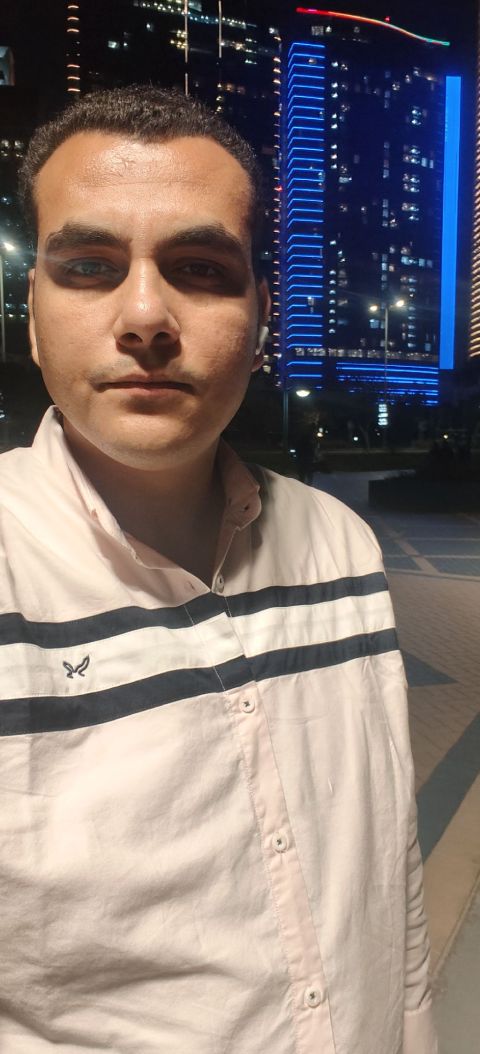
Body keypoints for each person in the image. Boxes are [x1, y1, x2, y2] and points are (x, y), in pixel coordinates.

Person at [0, 86, 437, 1053]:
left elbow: (388, 863)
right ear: (32, 315)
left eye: (200, 269)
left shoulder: (340, 546)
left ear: (261, 315)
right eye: (89, 267)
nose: (145, 317)